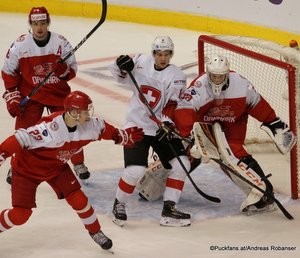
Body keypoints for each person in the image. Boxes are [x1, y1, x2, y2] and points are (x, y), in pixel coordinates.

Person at [0, 90, 144, 250]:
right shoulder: (50, 129)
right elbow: (20, 138)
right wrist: (2, 153)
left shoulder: (90, 126)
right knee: (20, 215)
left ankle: (95, 232)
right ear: (73, 112)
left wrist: (121, 136)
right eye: (85, 111)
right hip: (26, 171)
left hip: (56, 167)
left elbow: (105, 129)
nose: (88, 115)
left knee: (79, 199)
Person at [174, 55, 295, 214]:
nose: (217, 79)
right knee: (189, 149)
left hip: (234, 122)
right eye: (214, 76)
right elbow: (184, 109)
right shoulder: (199, 86)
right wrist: (190, 136)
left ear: (227, 74)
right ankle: (170, 178)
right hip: (205, 124)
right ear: (208, 73)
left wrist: (273, 121)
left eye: (221, 76)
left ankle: (263, 194)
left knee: (232, 153)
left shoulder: (241, 84)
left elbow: (257, 104)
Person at [109, 36, 192, 227]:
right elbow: (116, 72)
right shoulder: (140, 62)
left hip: (160, 128)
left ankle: (169, 210)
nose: (162, 58)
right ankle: (119, 204)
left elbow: (172, 104)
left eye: (166, 54)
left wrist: (167, 123)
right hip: (136, 125)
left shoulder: (177, 75)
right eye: (158, 53)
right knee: (135, 170)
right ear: (153, 53)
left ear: (171, 54)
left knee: (182, 164)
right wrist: (120, 63)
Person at [1, 6, 90, 184]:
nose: (39, 27)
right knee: (23, 132)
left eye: (42, 23)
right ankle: (17, 166)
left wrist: (63, 70)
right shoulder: (20, 45)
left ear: (48, 23)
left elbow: (72, 70)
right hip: (31, 94)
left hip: (58, 94)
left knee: (72, 128)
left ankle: (79, 163)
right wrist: (13, 96)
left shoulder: (60, 43)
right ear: (30, 25)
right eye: (35, 23)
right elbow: (8, 71)